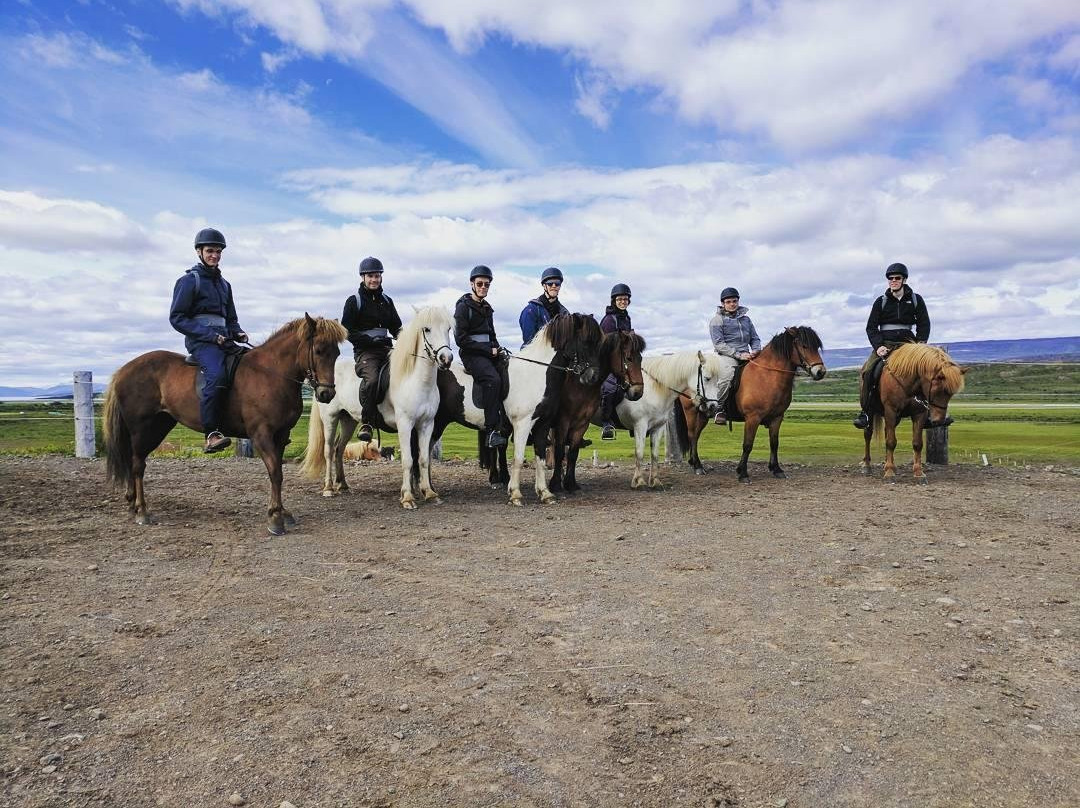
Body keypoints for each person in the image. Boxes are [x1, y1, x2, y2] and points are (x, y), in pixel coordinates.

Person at [169, 228, 249, 453]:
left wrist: (238, 332)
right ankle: (212, 433)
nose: (214, 255)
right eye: (210, 251)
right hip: (201, 341)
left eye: (218, 252)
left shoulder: (225, 285)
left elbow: (231, 319)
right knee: (217, 375)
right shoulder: (188, 281)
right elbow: (177, 318)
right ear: (199, 252)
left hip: (224, 340)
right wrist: (211, 336)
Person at [853, 262, 931, 429]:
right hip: (885, 344)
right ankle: (866, 413)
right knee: (868, 372)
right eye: (890, 278)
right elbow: (871, 327)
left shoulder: (916, 300)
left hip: (908, 346)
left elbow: (924, 324)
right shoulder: (880, 301)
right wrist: (878, 346)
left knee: (928, 372)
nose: (893, 281)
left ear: (904, 280)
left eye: (897, 278)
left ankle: (928, 412)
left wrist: (920, 345)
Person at [341, 256, 403, 442]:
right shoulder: (354, 301)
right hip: (365, 352)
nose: (374, 280)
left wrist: (407, 340)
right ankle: (367, 422)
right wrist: (369, 340)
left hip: (387, 349)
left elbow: (396, 327)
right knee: (373, 379)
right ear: (363, 277)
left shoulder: (388, 301)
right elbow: (346, 331)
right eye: (370, 276)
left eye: (377, 276)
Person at [455, 265, 508, 448]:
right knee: (493, 379)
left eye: (487, 284)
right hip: (471, 355)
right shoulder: (463, 307)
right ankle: (491, 431)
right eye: (480, 284)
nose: (483, 287)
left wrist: (497, 348)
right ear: (472, 284)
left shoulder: (487, 308)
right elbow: (461, 340)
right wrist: (487, 350)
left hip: (488, 353)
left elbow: (492, 335)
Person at [708, 286, 760, 425]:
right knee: (727, 377)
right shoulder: (717, 320)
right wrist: (738, 355)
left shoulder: (746, 320)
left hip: (747, 354)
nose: (732, 304)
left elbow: (755, 338)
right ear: (723, 303)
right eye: (729, 302)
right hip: (727, 355)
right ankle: (719, 409)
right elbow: (719, 344)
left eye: (735, 301)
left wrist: (756, 350)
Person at [598, 283, 634, 440]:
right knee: (610, 387)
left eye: (625, 299)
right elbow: (607, 346)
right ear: (614, 301)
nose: (622, 302)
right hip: (607, 361)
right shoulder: (609, 320)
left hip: (622, 361)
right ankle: (606, 422)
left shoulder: (626, 318)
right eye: (619, 299)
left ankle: (633, 422)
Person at [519, 267, 569, 347]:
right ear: (544, 285)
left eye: (557, 283)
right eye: (550, 283)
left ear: (560, 286)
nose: (554, 286)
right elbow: (529, 341)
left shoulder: (565, 313)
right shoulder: (531, 310)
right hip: (534, 351)